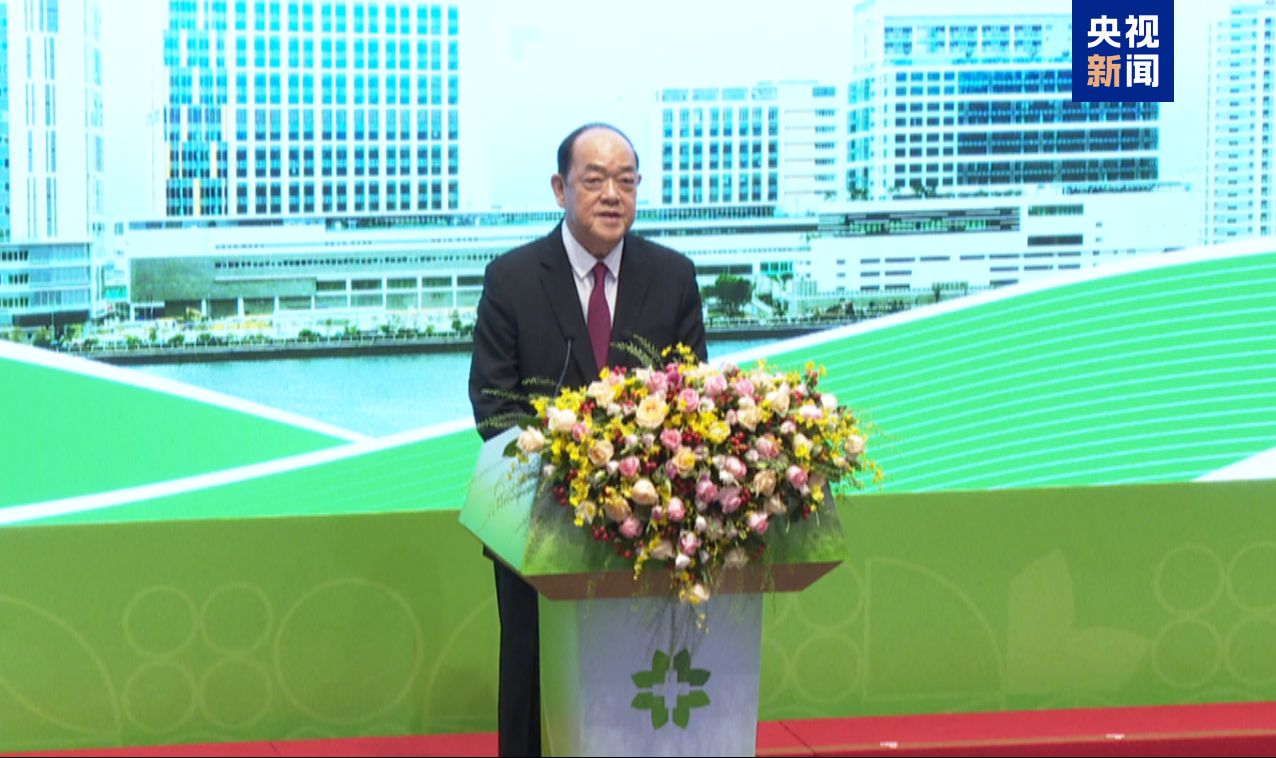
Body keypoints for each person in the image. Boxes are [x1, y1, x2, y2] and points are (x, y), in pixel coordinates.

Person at [467, 123, 707, 757]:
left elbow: (694, 398)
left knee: (638, 682)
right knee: (534, 681)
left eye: (626, 181)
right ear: (560, 188)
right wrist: (572, 474)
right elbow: (493, 402)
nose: (612, 195)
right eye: (595, 180)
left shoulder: (673, 276)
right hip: (534, 525)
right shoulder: (513, 278)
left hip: (649, 530)